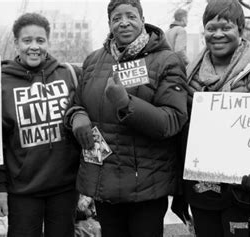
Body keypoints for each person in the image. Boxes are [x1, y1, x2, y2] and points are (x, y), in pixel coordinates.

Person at [65, 0, 189, 236]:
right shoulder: (93, 61)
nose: (123, 23)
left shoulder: (166, 61)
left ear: (142, 20)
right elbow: (76, 103)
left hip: (146, 188)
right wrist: (76, 116)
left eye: (131, 16)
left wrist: (126, 104)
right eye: (116, 18)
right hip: (104, 185)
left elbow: (172, 120)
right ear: (110, 24)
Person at [180, 1, 250, 236]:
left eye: (226, 27)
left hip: (246, 193)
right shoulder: (188, 76)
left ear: (240, 30)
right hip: (202, 192)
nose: (217, 34)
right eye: (211, 27)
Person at [0, 12, 81, 237]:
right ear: (16, 43)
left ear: (48, 42)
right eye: (27, 40)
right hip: (22, 190)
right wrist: (0, 189)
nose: (34, 47)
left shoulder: (67, 75)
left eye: (40, 40)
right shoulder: (1, 82)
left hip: (64, 187)